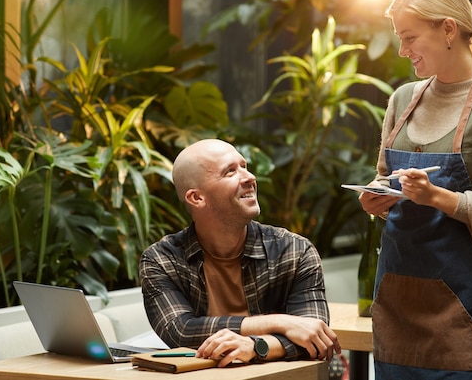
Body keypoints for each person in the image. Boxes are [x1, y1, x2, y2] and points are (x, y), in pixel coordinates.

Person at [357, 0, 472, 380]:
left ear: (448, 29)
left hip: (459, 311)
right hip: (396, 302)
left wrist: (437, 197)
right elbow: (384, 178)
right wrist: (376, 199)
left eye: (410, 37)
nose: (403, 51)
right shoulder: (402, 100)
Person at [139, 138, 341, 368]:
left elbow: (314, 338)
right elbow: (180, 331)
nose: (250, 177)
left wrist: (255, 346)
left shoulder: (294, 251)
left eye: (244, 166)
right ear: (197, 197)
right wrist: (280, 323)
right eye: (230, 172)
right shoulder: (161, 260)